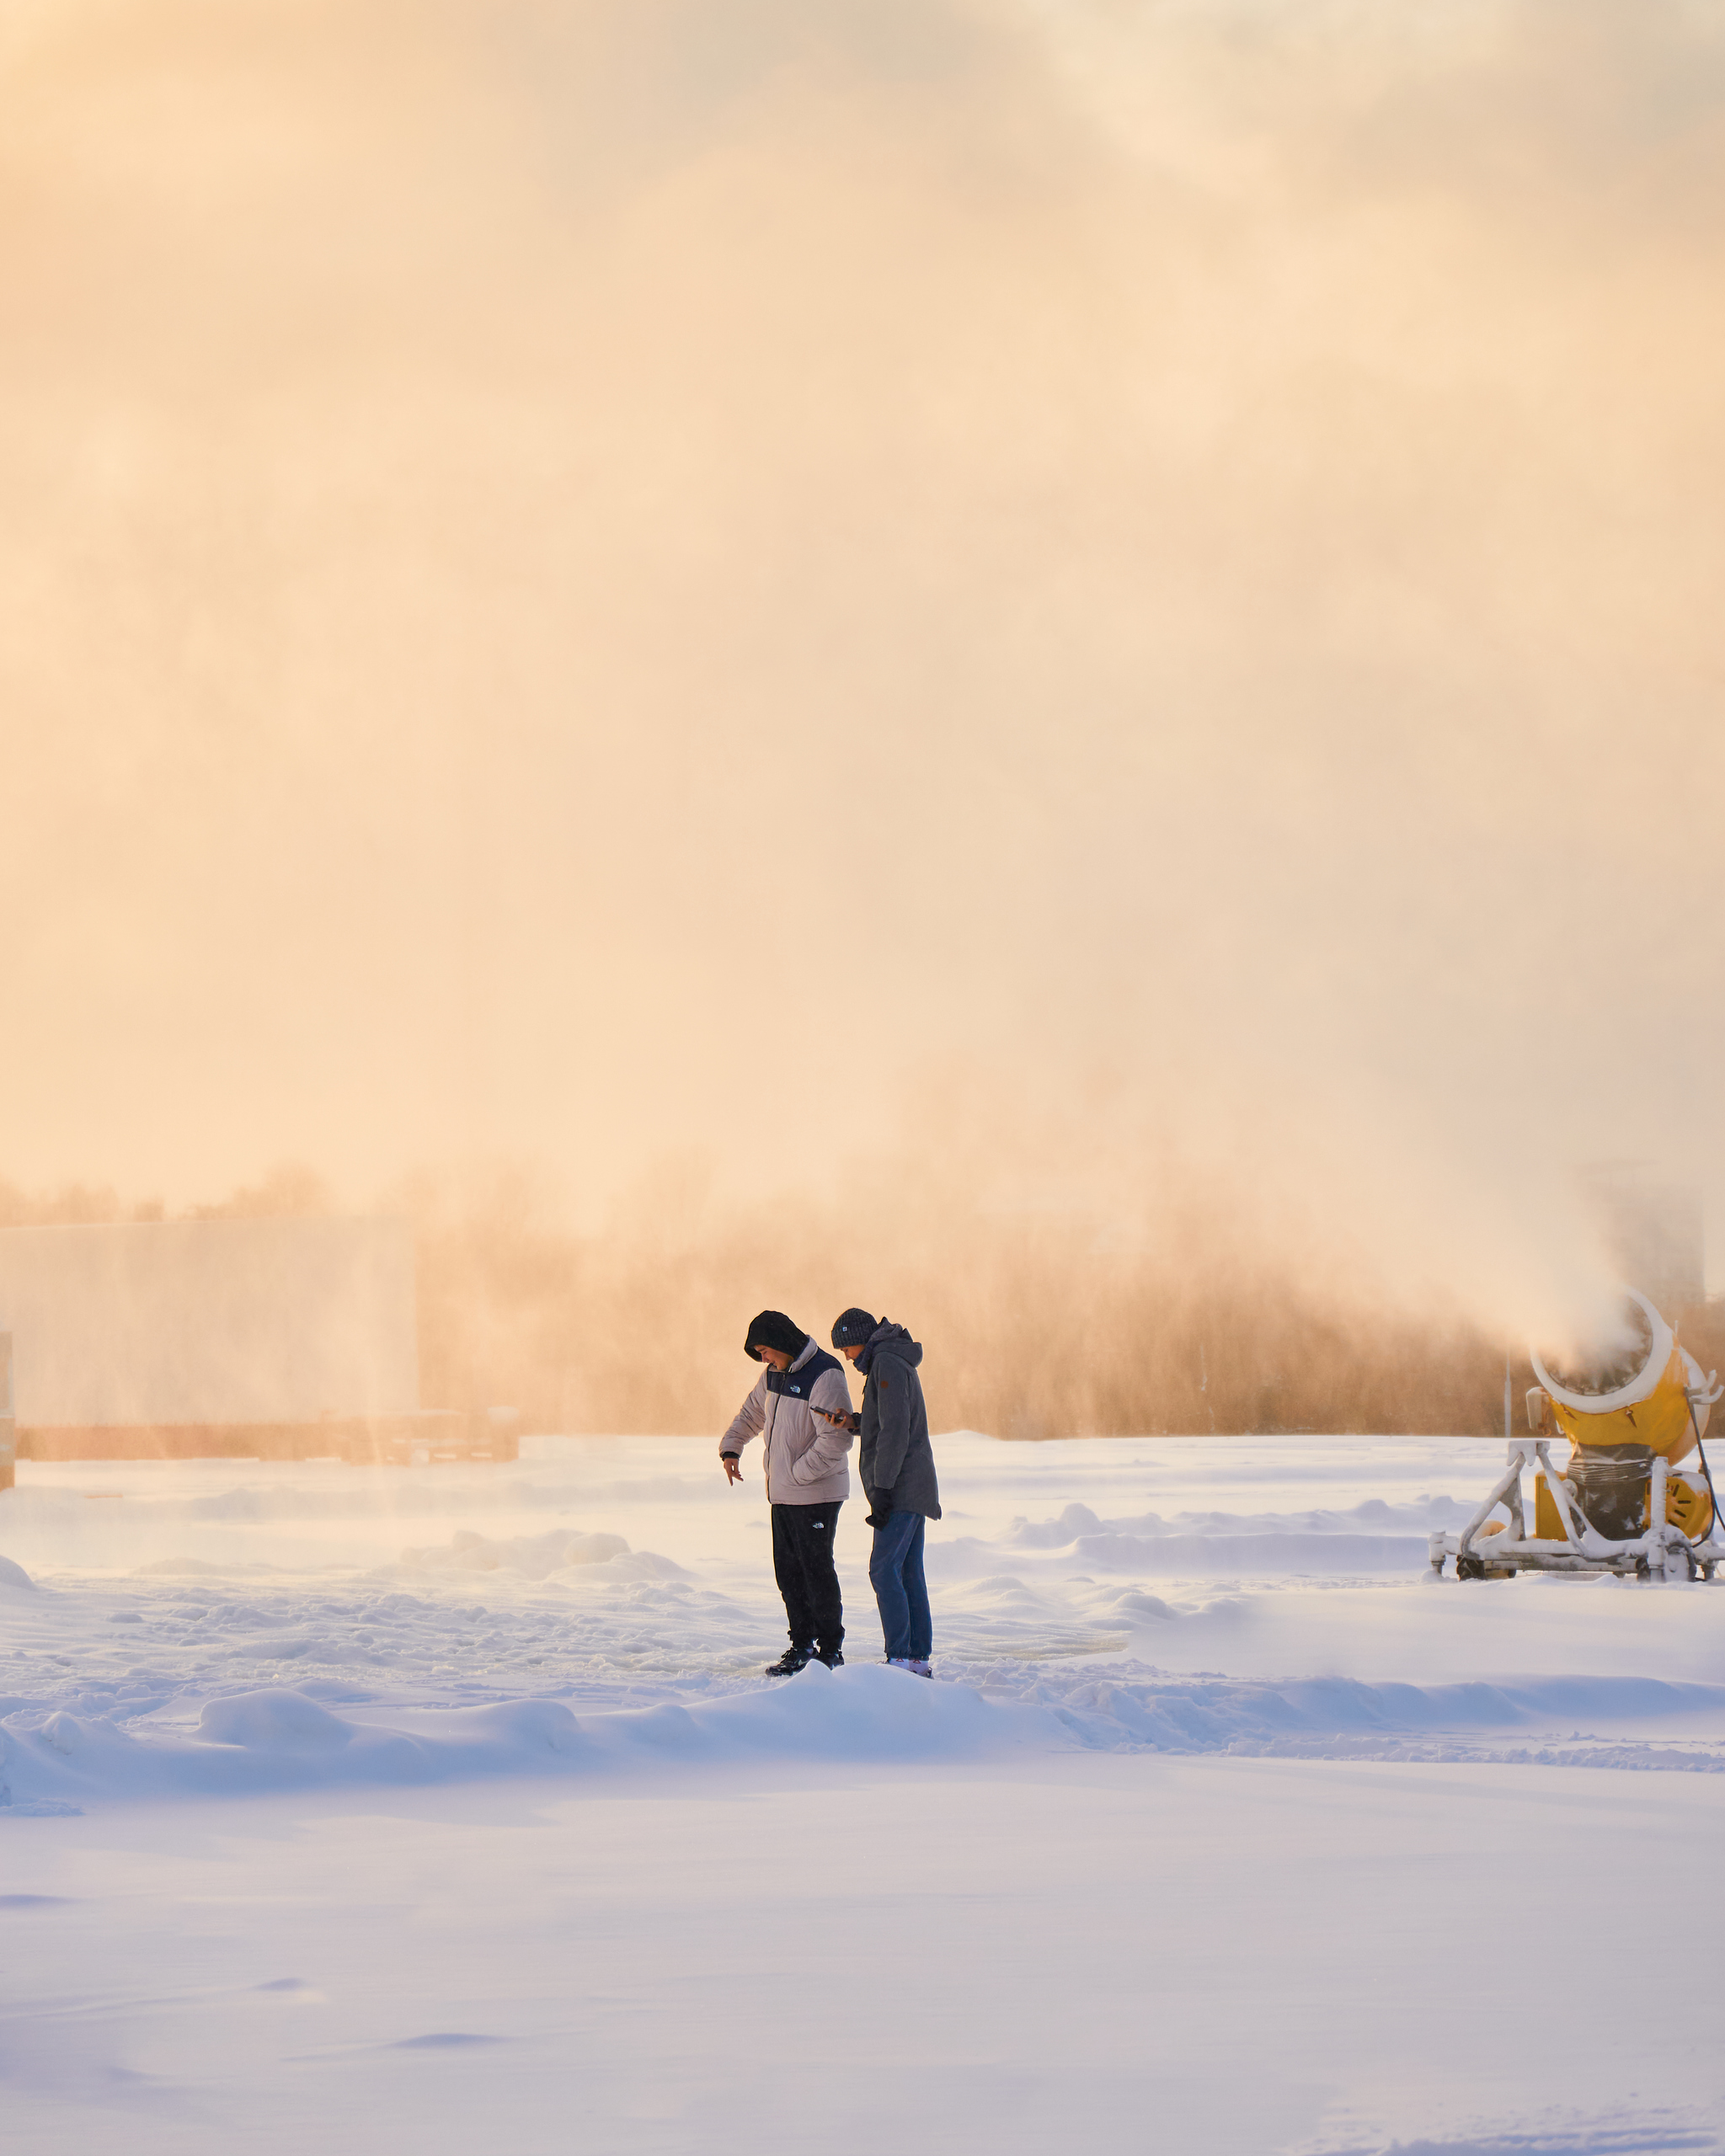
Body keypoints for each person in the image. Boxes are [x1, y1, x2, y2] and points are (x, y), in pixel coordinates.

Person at [720, 1310, 855, 1676]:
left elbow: (837, 1438)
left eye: (764, 1349)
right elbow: (751, 1414)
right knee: (789, 1574)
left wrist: (797, 1474)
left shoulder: (825, 1375)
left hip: (816, 1494)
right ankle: (801, 1645)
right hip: (784, 1496)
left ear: (781, 1342)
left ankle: (830, 1650)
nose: (762, 1358)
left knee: (816, 1572)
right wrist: (732, 1447)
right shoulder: (774, 1375)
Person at [830, 1310, 940, 1676]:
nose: (847, 1356)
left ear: (861, 1339)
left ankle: (901, 1658)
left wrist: (885, 1491)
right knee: (907, 1570)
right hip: (912, 1484)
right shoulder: (891, 1360)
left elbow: (895, 1432)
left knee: (883, 1569)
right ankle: (916, 1659)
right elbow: (888, 1421)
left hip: (902, 1487)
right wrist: (855, 1423)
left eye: (846, 1347)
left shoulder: (887, 1363)